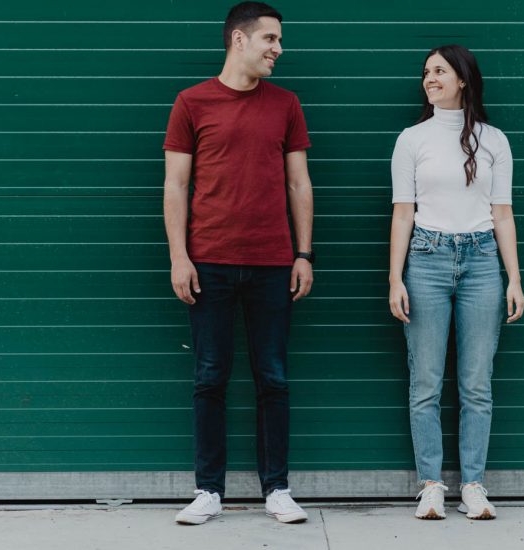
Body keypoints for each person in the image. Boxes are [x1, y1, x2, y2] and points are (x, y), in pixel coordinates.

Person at [163, 1, 314, 525]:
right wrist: (180, 257)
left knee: (273, 378)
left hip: (273, 262)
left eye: (279, 40)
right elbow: (176, 185)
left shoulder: (286, 104)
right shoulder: (191, 102)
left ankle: (277, 488)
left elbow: (299, 182)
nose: (278, 49)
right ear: (239, 41)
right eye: (270, 39)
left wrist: (303, 253)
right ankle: (209, 490)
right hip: (208, 264)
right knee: (210, 377)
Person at [388, 44, 524, 520]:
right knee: (425, 380)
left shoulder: (494, 140)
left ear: (463, 79)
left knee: (476, 384)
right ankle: (430, 484)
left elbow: (503, 215)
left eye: (440, 71)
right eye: (426, 72)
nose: (429, 78)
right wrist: (395, 278)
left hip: (482, 260)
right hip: (425, 258)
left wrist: (514, 279)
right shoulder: (411, 139)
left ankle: (472, 484)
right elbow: (402, 213)